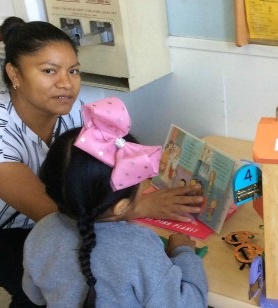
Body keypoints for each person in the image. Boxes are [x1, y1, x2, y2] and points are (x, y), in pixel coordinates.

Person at [0, 17, 203, 307]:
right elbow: (52, 212)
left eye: (73, 71)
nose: (67, 83)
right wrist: (143, 204)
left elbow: (109, 167)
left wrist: (141, 190)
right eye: (49, 71)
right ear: (15, 73)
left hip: (64, 220)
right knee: (60, 284)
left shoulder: (77, 113)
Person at [22, 98, 208, 307]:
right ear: (119, 208)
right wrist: (184, 253)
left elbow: (35, 295)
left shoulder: (41, 231)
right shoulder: (138, 248)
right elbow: (191, 303)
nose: (144, 186)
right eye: (140, 181)